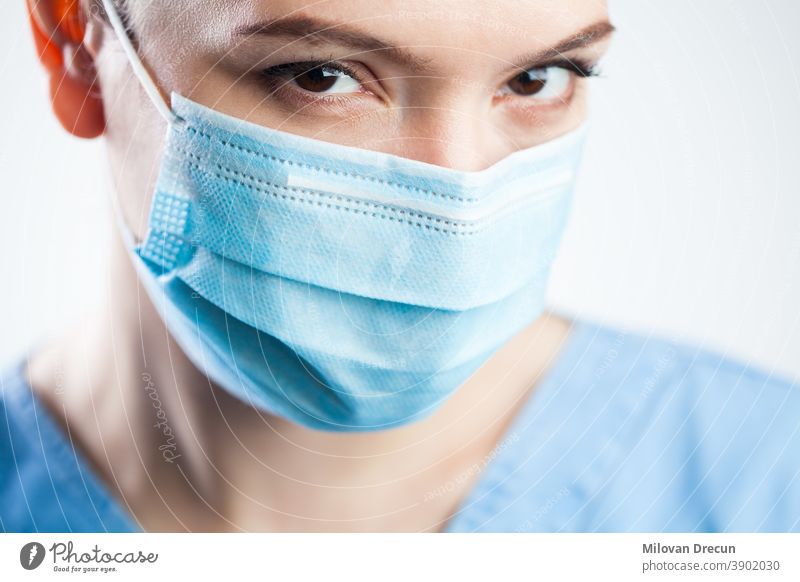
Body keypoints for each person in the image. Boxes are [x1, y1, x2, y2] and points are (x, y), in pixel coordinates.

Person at [2, 0, 797, 533]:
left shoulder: (764, 484)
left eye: (537, 79)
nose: (457, 191)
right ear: (75, 42)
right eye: (322, 76)